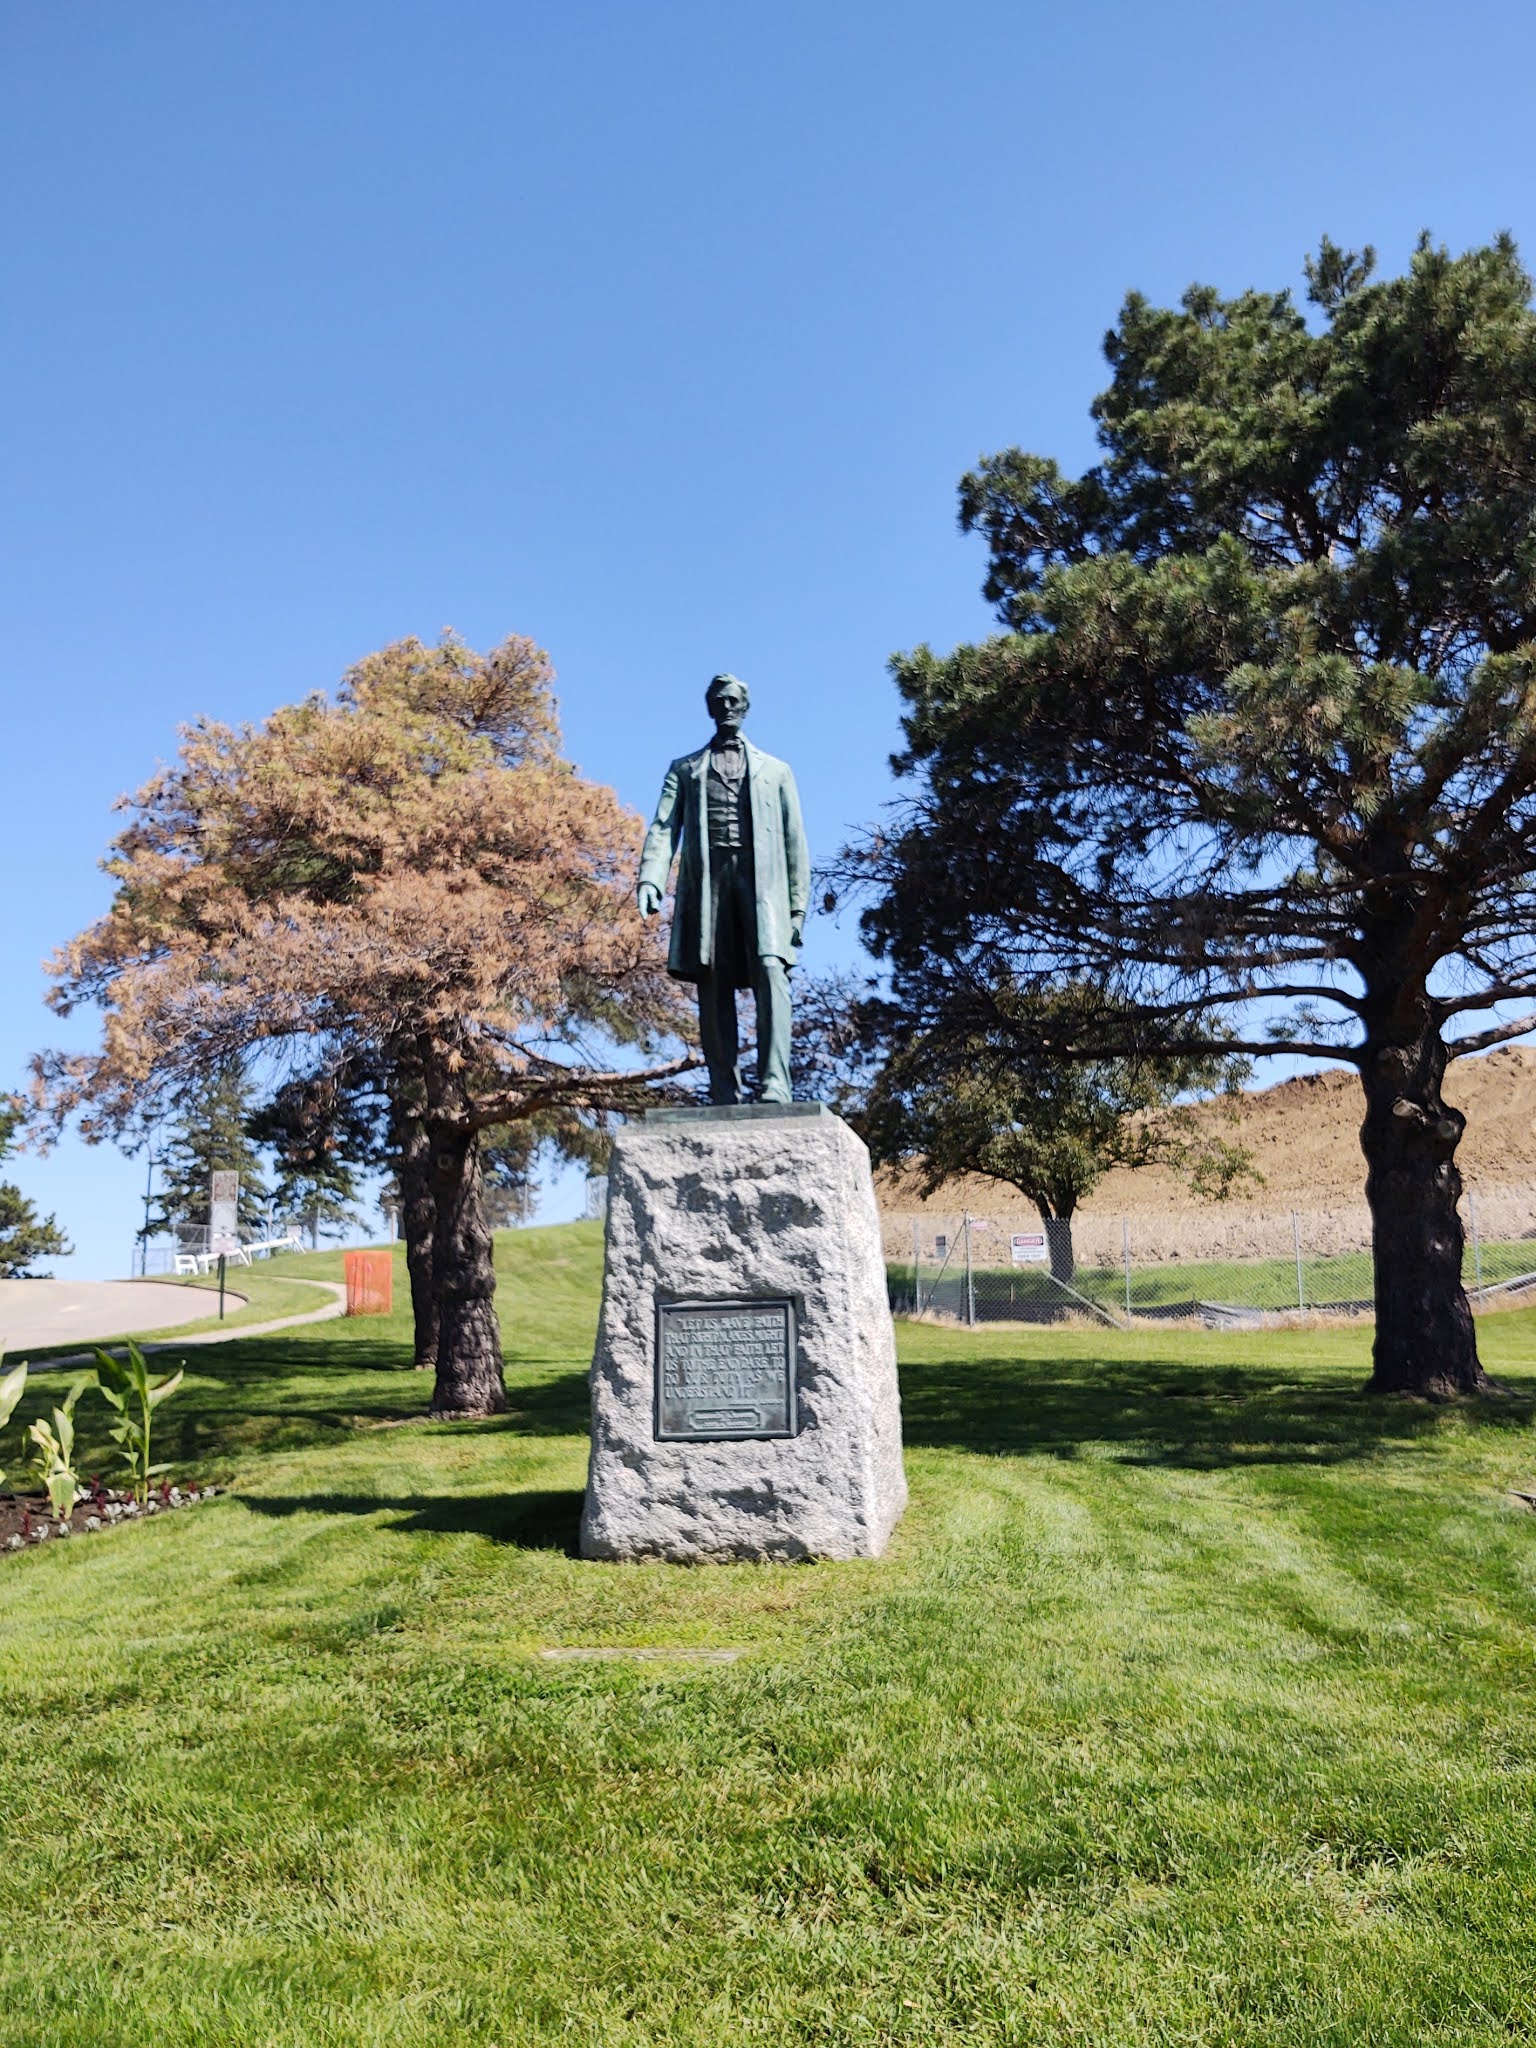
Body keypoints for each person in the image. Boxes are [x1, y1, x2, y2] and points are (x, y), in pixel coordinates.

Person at [637, 673, 809, 1104]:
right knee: (712, 978)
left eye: (734, 700)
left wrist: (798, 910)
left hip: (762, 882)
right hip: (709, 882)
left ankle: (775, 1082)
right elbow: (662, 828)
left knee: (771, 969)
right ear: (710, 708)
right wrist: (650, 877)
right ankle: (723, 1090)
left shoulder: (777, 771)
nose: (727, 707)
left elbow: (795, 844)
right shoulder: (684, 769)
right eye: (720, 701)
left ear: (745, 707)